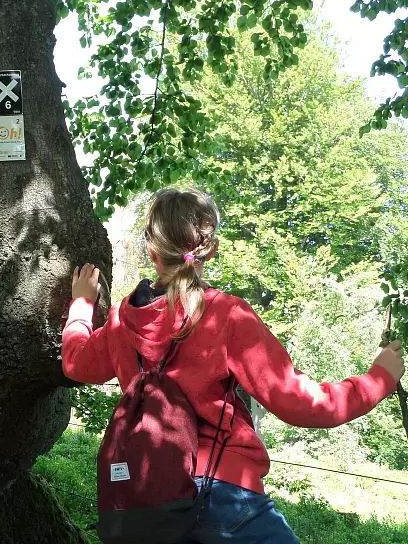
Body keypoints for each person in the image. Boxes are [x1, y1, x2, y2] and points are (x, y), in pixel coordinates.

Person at [62, 188, 404, 543]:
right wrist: (379, 378)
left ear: (151, 250)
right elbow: (304, 404)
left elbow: (75, 363)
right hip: (222, 491)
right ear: (211, 248)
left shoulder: (122, 320)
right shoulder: (226, 315)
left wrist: (82, 304)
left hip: (151, 500)